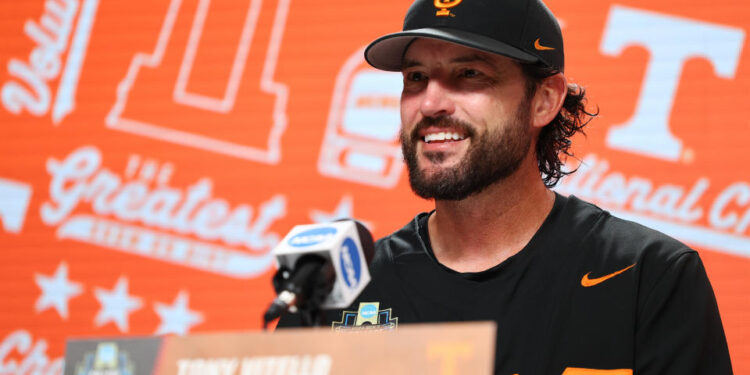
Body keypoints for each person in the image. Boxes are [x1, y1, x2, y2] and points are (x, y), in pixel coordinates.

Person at [279, 0, 732, 373]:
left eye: (469, 74)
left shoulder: (648, 276)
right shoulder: (336, 290)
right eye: (415, 78)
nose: (431, 103)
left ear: (544, 100)